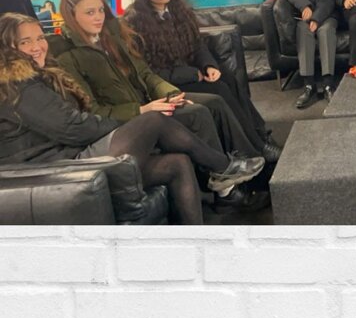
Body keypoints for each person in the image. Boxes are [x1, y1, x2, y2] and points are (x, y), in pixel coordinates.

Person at [0, 14, 264, 224]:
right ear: (6, 47)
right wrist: (128, 126)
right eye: (25, 42)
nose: (37, 46)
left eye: (39, 37)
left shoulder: (37, 75)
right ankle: (223, 166)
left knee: (177, 163)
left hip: (71, 154)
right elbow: (73, 127)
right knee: (153, 121)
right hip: (57, 168)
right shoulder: (16, 85)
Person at [48, 0, 269, 209]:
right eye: (90, 12)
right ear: (71, 14)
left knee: (213, 101)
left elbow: (146, 74)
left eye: (100, 10)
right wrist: (141, 110)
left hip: (148, 102)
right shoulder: (66, 56)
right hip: (127, 119)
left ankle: (241, 169)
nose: (98, 17)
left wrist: (171, 93)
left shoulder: (112, 36)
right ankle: (227, 188)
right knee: (198, 113)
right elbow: (93, 110)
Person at [124, 0, 281, 161]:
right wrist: (192, 74)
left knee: (228, 77)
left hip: (190, 72)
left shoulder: (178, 9)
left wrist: (209, 66)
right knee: (219, 90)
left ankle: (260, 134)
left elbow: (197, 44)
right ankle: (253, 149)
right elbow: (149, 72)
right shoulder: (134, 22)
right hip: (168, 84)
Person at [277, 0, 339, 109]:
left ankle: (328, 84)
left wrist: (317, 17)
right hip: (302, 16)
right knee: (303, 31)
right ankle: (309, 85)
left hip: (327, 14)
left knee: (326, 31)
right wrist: (304, 5)